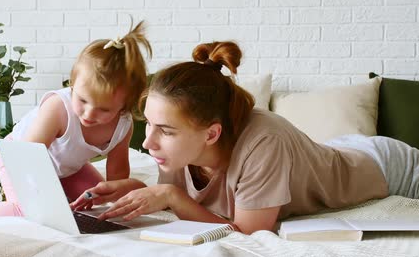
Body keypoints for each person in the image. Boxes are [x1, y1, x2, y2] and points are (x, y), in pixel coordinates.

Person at [71, 41, 419, 235]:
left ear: (212, 133)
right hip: (341, 152)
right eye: (149, 124)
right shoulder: (175, 152)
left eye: (166, 130)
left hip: (388, 167)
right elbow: (185, 198)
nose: (148, 143)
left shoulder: (264, 140)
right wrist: (132, 188)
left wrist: (171, 197)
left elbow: (250, 232)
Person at [0, 20, 152, 238]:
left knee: (93, 206)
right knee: (30, 211)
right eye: (82, 100)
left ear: (124, 107)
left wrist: (112, 197)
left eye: (103, 110)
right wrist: (46, 202)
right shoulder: (58, 109)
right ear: (72, 85)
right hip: (19, 159)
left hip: (69, 168)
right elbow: (26, 160)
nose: (89, 114)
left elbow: (118, 174)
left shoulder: (123, 125)